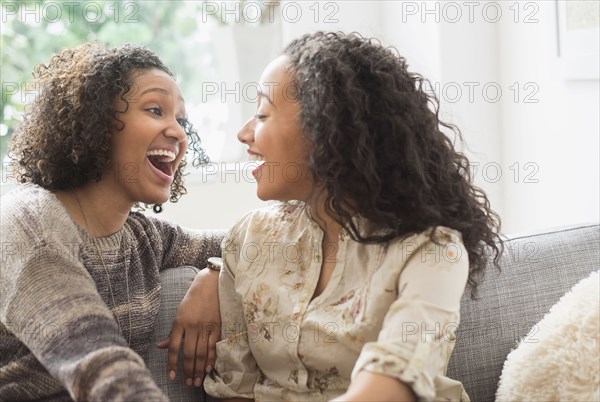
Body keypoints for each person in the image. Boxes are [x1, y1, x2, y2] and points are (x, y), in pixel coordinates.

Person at [202, 32, 503, 401]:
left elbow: (392, 385)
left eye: (263, 113)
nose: (244, 133)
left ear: (326, 128)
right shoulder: (248, 239)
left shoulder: (431, 250)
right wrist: (209, 273)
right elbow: (237, 391)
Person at [0, 43, 222, 401]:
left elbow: (251, 242)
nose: (180, 134)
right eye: (155, 110)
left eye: (181, 121)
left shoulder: (143, 238)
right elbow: (97, 364)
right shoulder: (29, 225)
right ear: (96, 123)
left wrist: (216, 271)